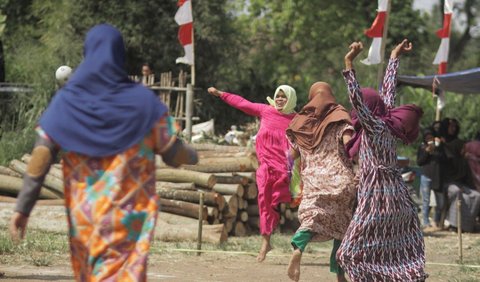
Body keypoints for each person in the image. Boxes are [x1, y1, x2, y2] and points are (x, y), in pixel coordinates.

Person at [9, 24, 198, 281]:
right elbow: (172, 153)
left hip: (86, 222)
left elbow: (40, 157)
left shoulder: (66, 102)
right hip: (129, 222)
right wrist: (193, 155)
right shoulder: (143, 103)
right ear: (121, 56)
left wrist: (22, 208)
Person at [336, 39, 427, 281]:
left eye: (359, 109)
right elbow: (388, 92)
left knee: (347, 254)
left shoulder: (374, 127)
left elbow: (357, 98)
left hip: (376, 197)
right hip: (396, 195)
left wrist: (348, 63)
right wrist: (394, 57)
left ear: (365, 110)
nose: (355, 112)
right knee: (388, 251)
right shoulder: (387, 124)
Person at [207, 85, 297, 262]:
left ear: (291, 99)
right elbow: (242, 103)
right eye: (277, 96)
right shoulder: (265, 111)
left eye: (283, 97)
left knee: (279, 202)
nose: (279, 99)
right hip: (265, 167)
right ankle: (265, 242)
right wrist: (221, 94)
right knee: (263, 201)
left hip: (284, 170)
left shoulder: (297, 119)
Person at [285, 82, 356, 282]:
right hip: (341, 180)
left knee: (310, 219)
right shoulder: (340, 120)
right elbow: (350, 147)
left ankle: (298, 248)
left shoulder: (301, 124)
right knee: (342, 228)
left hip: (315, 182)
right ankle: (340, 275)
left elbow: (291, 156)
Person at [417, 127, 447, 229]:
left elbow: (444, 159)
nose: (429, 138)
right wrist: (427, 152)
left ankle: (436, 221)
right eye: (427, 137)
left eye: (431, 136)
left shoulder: (439, 147)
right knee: (426, 201)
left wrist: (438, 147)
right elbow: (419, 162)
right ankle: (425, 222)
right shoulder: (422, 147)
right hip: (426, 176)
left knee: (440, 202)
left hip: (438, 177)